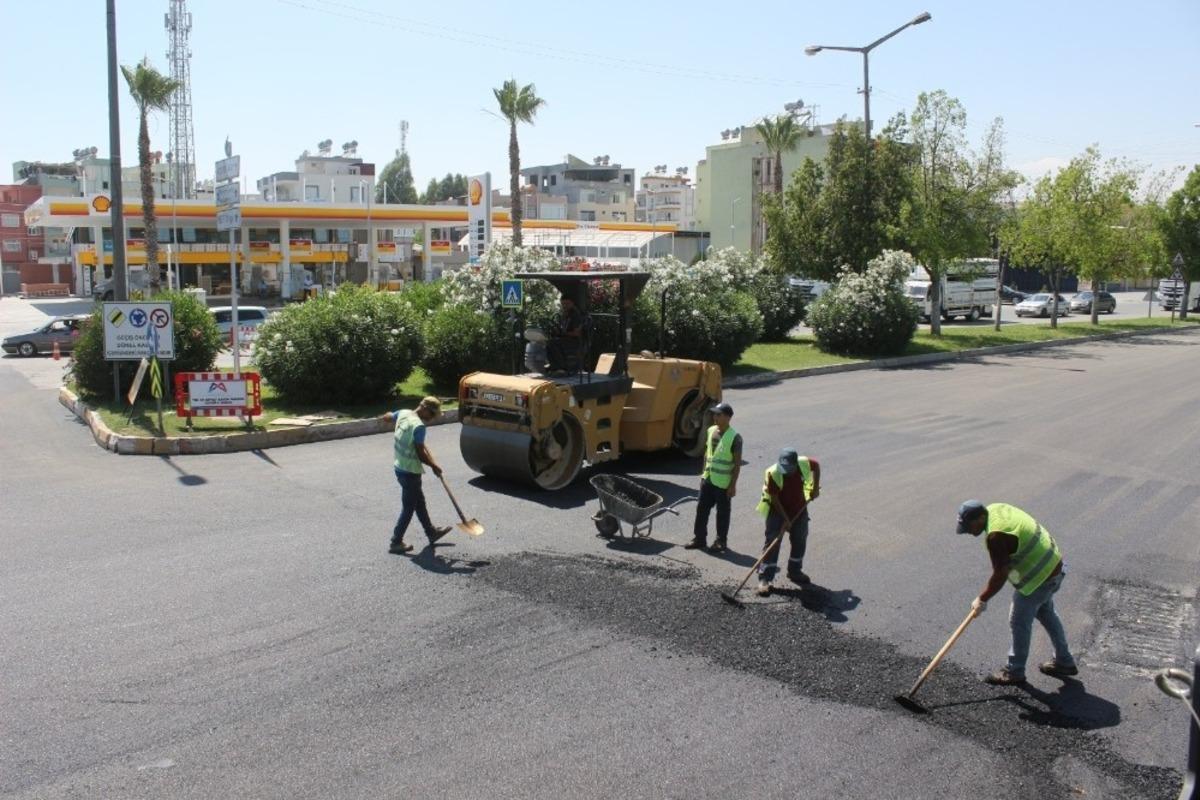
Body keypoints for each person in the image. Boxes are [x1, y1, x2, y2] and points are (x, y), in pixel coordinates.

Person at [956, 500, 1078, 685]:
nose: (968, 531)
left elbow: (1000, 574)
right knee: (1046, 613)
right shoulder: (996, 508)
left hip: (1041, 578)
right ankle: (1064, 660)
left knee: (1019, 621)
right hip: (1055, 566)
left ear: (981, 517)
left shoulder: (996, 536)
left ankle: (1014, 671)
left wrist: (982, 599)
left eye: (969, 526)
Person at [384, 396, 452, 554]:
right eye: (433, 414)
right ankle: (396, 541)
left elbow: (389, 416)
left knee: (419, 502)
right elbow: (421, 454)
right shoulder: (419, 427)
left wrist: (385, 416)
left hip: (400, 467)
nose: (433, 418)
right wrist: (434, 466)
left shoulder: (404, 413)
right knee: (409, 507)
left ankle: (431, 532)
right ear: (425, 409)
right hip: (410, 471)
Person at [754, 448, 821, 595]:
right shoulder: (774, 473)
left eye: (789, 469)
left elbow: (816, 466)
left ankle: (795, 571)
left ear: (795, 464)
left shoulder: (803, 463)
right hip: (777, 511)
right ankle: (764, 578)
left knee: (799, 539)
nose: (785, 471)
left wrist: (815, 488)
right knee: (772, 543)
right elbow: (775, 499)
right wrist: (785, 519)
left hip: (799, 509)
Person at [686, 402, 741, 554]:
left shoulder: (735, 438)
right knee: (701, 510)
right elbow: (707, 453)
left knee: (722, 514)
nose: (715, 417)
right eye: (714, 414)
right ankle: (699, 539)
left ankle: (720, 542)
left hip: (723, 483)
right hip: (708, 479)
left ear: (728, 417)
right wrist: (703, 474)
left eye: (719, 414)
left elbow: (736, 465)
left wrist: (732, 485)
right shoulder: (711, 430)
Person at [545, 294, 584, 372]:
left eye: (567, 304)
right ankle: (554, 365)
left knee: (552, 343)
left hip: (574, 341)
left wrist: (563, 333)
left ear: (572, 303)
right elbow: (563, 328)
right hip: (565, 339)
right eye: (563, 304)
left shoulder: (575, 315)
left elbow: (577, 333)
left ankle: (561, 367)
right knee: (549, 342)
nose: (565, 306)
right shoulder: (565, 314)